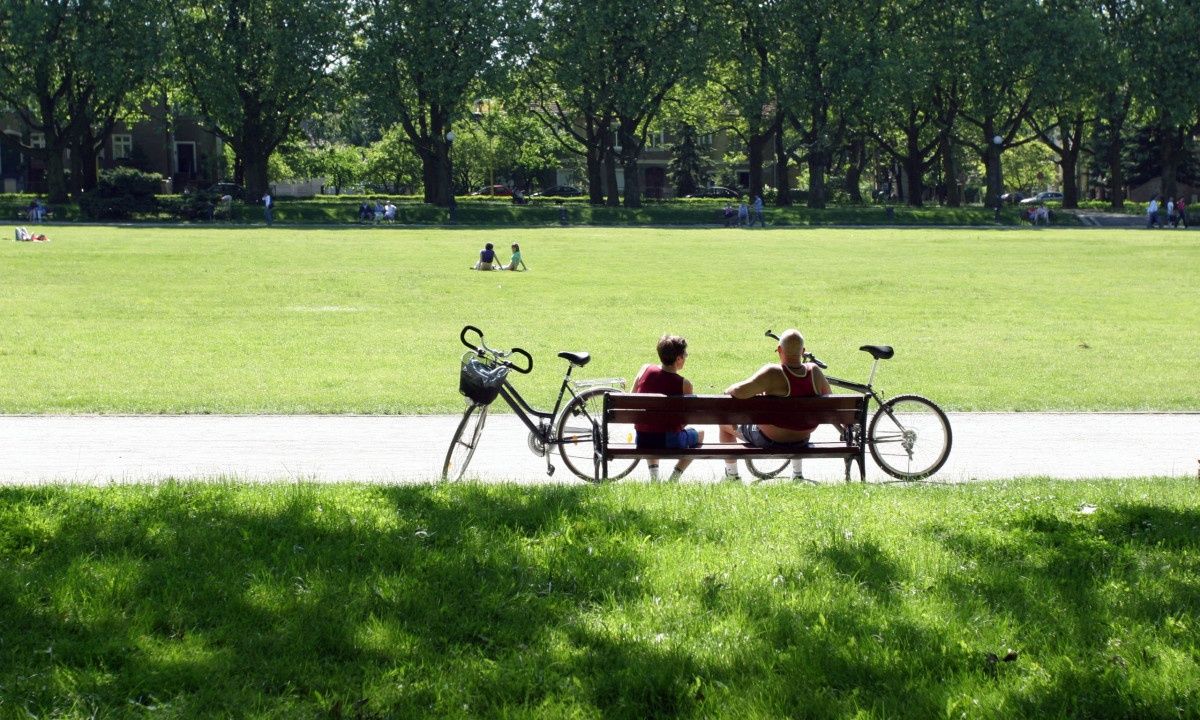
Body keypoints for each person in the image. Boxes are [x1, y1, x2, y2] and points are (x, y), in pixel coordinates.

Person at [718, 328, 834, 482]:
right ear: (803, 351)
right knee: (796, 420)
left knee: (723, 424)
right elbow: (832, 403)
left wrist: (727, 390)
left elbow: (739, 391)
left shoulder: (772, 373)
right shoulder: (815, 372)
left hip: (770, 439)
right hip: (802, 439)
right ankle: (797, 474)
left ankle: (732, 476)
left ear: (780, 350)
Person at [632, 335, 703, 482]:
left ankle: (654, 478)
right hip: (670, 440)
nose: (686, 357)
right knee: (700, 434)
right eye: (685, 355)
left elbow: (632, 398)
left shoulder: (644, 369)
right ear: (678, 359)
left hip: (642, 438)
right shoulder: (684, 384)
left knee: (651, 426)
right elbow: (686, 419)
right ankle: (673, 479)